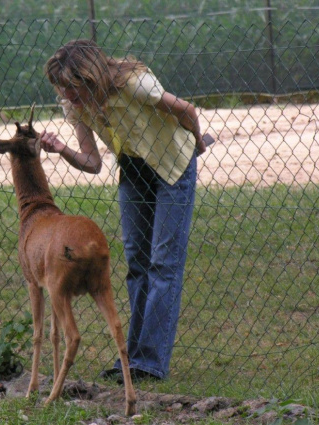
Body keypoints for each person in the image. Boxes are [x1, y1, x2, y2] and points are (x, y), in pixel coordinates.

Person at [40, 39, 206, 382]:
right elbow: (92, 162)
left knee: (163, 262)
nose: (68, 98)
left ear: (91, 77)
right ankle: (132, 359)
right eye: (62, 90)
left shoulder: (135, 85)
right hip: (134, 169)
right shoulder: (75, 106)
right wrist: (62, 149)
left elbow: (188, 111)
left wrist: (198, 146)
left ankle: (150, 361)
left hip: (173, 167)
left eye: (73, 88)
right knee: (137, 262)